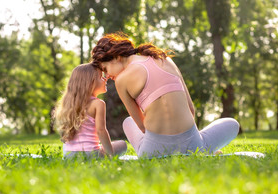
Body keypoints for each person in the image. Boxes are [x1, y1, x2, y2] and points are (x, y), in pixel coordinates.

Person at [91, 32, 239, 158]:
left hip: (152, 151)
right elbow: (190, 109)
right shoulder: (163, 58)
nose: (108, 76)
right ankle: (203, 148)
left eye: (105, 69)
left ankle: (178, 146)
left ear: (116, 56)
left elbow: (142, 127)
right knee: (232, 124)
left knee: (128, 122)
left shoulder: (121, 81)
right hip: (193, 145)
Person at [54, 63, 127, 159]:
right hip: (91, 154)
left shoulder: (68, 104)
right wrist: (110, 155)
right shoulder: (98, 104)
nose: (105, 79)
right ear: (90, 82)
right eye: (101, 77)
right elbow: (101, 131)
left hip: (68, 155)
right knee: (122, 144)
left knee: (103, 146)